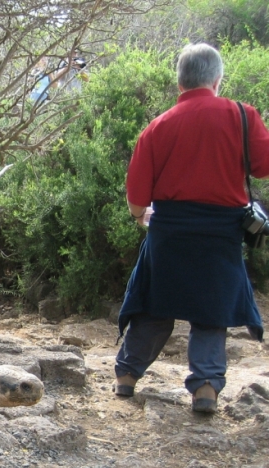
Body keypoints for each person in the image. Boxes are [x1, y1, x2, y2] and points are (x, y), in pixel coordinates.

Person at [114, 43, 269, 413]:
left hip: (169, 232)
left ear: (179, 82)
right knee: (211, 313)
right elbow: (263, 167)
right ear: (218, 79)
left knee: (153, 306)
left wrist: (141, 217)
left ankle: (126, 379)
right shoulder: (243, 115)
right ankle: (205, 390)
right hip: (221, 234)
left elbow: (137, 194)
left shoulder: (158, 126)